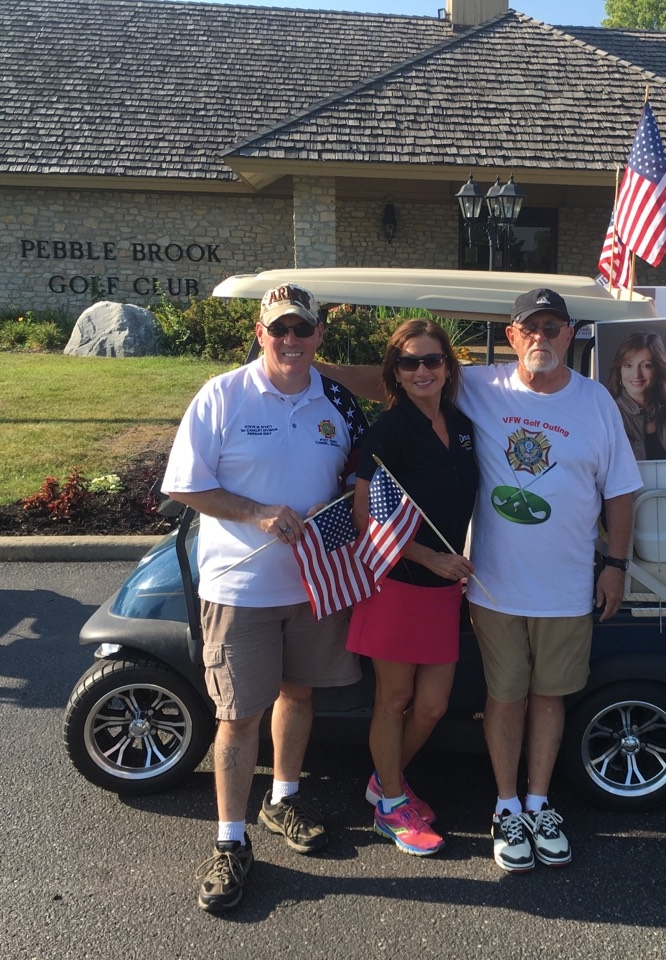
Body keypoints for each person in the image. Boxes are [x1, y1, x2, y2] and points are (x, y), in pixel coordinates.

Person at [318, 288, 641, 873]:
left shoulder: (594, 401)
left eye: (552, 327)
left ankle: (537, 804)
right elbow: (390, 384)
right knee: (493, 697)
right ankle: (501, 806)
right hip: (489, 586)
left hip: (561, 584)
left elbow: (620, 491)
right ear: (512, 336)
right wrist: (311, 365)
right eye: (529, 328)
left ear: (570, 334)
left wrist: (615, 566)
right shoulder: (480, 388)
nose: (541, 337)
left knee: (534, 698)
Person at [162, 282, 368, 913]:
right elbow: (185, 485)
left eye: (302, 329)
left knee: (298, 695)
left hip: (313, 581)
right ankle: (230, 841)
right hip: (241, 586)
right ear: (260, 334)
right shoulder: (223, 395)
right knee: (238, 716)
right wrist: (255, 513)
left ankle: (283, 800)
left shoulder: (337, 401)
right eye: (279, 329)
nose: (290, 339)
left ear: (319, 335)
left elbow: (358, 474)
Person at [345, 319, 477, 857]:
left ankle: (385, 781)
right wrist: (430, 558)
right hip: (397, 583)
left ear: (447, 366)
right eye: (409, 362)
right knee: (395, 699)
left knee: (433, 706)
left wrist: (453, 563)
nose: (422, 370)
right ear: (395, 373)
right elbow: (364, 518)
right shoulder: (389, 431)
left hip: (445, 589)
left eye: (432, 360)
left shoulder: (462, 424)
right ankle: (391, 806)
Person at [607, 330, 666, 460]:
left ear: (658, 370)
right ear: (619, 371)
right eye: (628, 365)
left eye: (646, 366)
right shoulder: (608, 416)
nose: (636, 375)